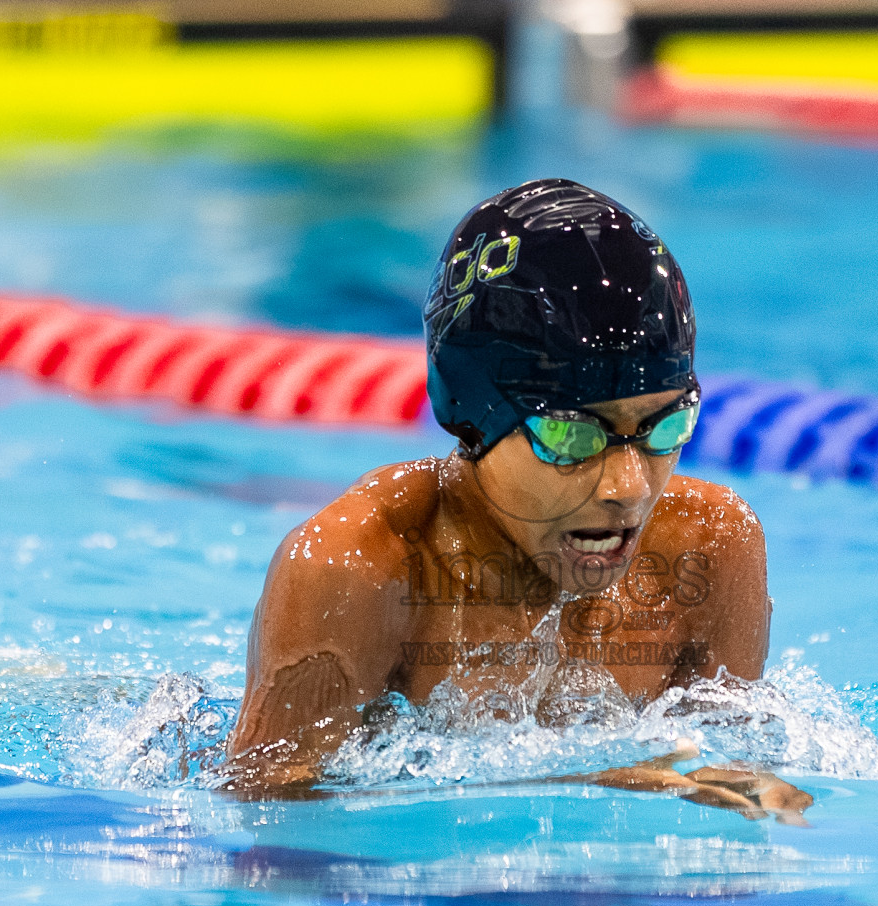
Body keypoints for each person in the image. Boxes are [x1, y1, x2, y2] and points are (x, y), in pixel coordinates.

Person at [224, 179, 812, 823]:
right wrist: (593, 781)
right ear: (477, 419)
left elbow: (732, 763)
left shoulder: (711, 543)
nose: (628, 487)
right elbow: (270, 825)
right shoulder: (357, 568)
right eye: (570, 436)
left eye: (665, 427)